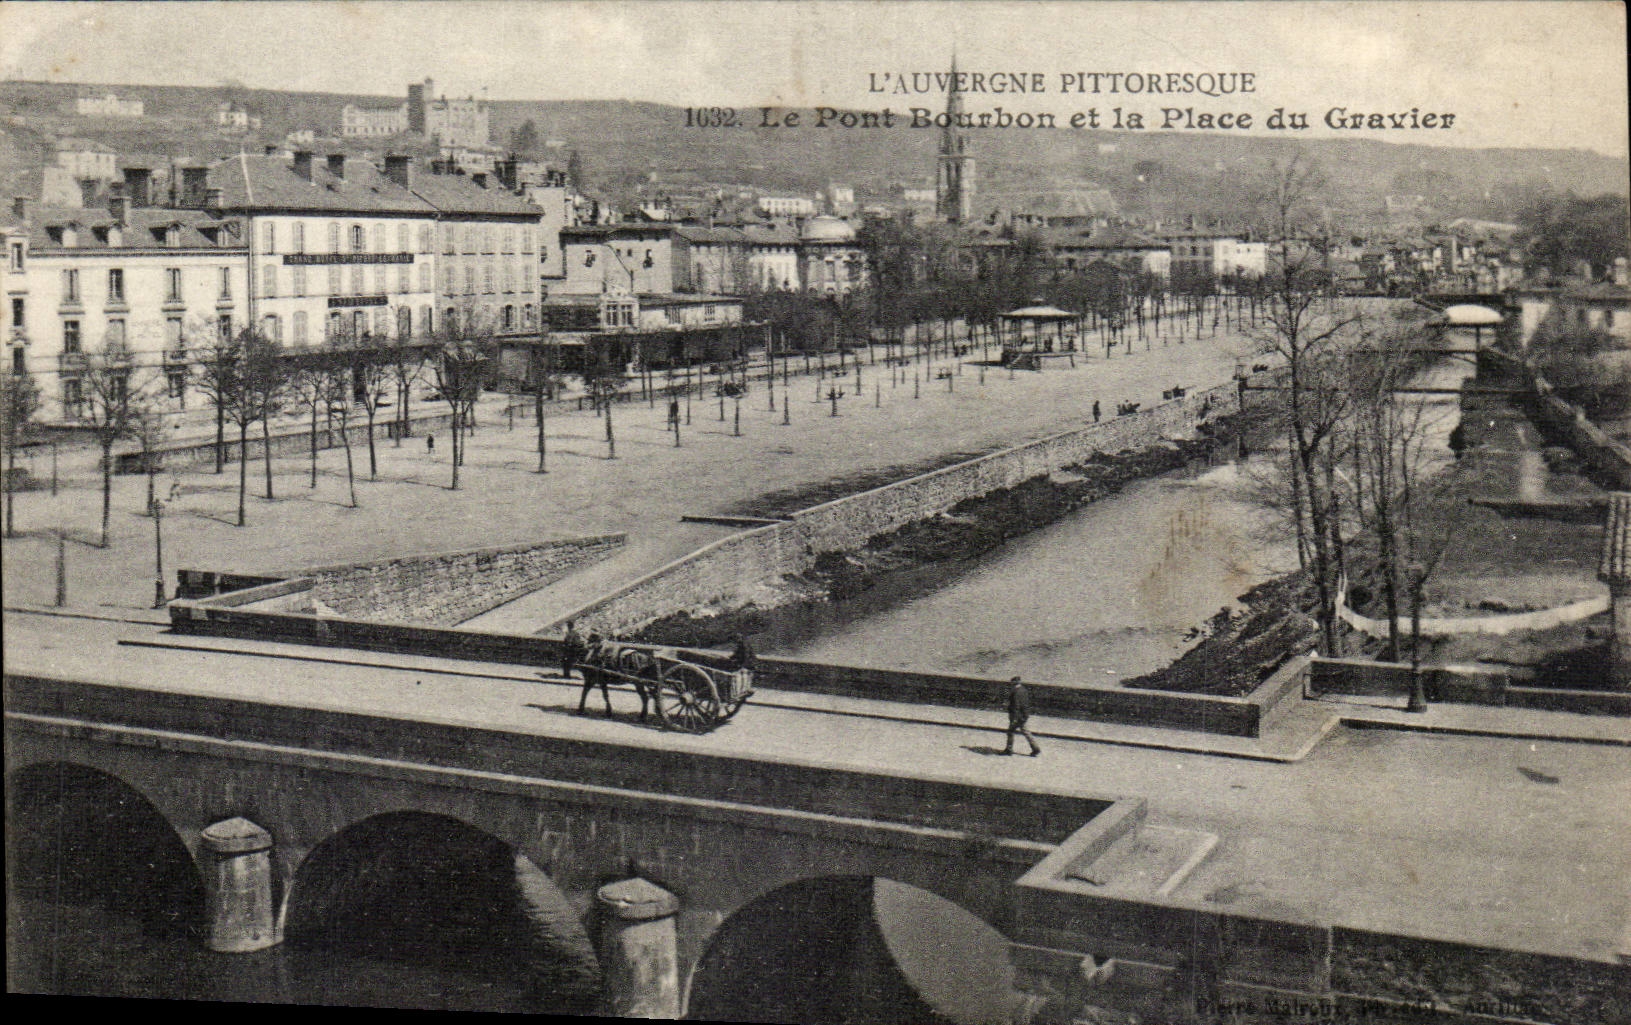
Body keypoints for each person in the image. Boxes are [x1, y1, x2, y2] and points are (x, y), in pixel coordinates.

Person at [1003, 676, 1041, 756]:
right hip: (1024, 715)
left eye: (1012, 682)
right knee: (1025, 731)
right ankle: (1035, 748)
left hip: (1017, 715)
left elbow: (1016, 705)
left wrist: (1014, 717)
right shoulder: (1024, 690)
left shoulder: (1015, 692)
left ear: (1014, 682)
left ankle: (1009, 750)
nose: (1011, 684)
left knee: (1010, 732)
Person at [578, 631, 613, 715]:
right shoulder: (596, 648)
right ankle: (608, 707)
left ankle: (581, 707)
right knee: (602, 689)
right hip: (597, 672)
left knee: (588, 688)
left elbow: (600, 658)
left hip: (597, 673)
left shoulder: (601, 648)